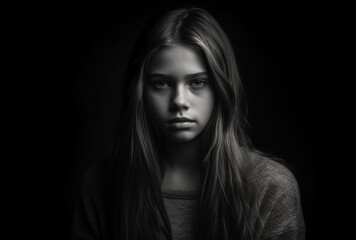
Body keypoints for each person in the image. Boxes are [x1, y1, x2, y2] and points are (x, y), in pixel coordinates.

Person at [71, 7, 306, 240]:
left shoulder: (271, 188)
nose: (179, 101)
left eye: (198, 82)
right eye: (161, 83)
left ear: (221, 88)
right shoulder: (99, 188)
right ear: (140, 92)